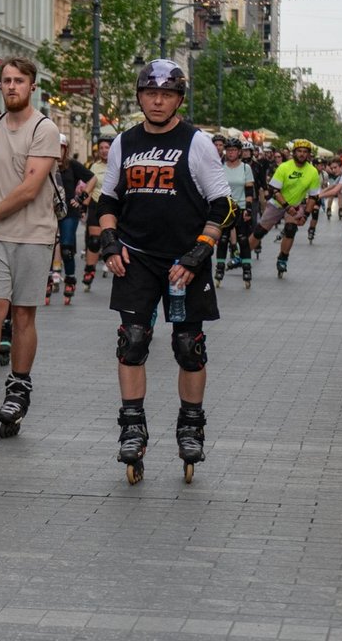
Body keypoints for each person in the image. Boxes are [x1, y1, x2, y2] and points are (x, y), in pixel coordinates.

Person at [98, 59, 233, 485]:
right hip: (136, 256)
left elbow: (222, 205)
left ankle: (191, 427)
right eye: (151, 93)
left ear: (178, 99)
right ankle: (132, 428)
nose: (158, 101)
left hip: (183, 261)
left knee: (188, 345)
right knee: (132, 341)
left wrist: (199, 253)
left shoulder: (196, 143)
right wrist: (109, 242)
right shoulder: (124, 141)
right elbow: (108, 202)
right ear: (140, 96)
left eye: (167, 94)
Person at [0, 57, 60, 442]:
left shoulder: (44, 128)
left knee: (22, 316)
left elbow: (29, 188)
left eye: (19, 81)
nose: (11, 87)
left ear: (32, 85)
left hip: (34, 233)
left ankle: (18, 387)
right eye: (6, 81)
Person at [248, 139, 320, 278]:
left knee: (291, 230)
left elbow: (313, 197)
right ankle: (243, 255)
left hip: (296, 205)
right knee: (260, 231)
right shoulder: (284, 167)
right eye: (299, 151)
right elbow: (274, 190)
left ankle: (283, 258)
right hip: (278, 203)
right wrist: (287, 207)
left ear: (309, 154)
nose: (302, 154)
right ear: (294, 153)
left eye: (305, 152)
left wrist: (305, 215)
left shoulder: (313, 172)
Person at [56, 134, 96, 304]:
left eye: (61, 147)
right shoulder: (44, 163)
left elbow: (92, 178)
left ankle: (70, 278)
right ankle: (50, 276)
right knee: (46, 247)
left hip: (68, 212)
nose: (57, 151)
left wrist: (81, 198)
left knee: (66, 247)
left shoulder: (71, 165)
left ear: (65, 149)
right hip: (47, 211)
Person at [214, 138, 254, 289]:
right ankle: (219, 270)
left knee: (243, 239)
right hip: (225, 207)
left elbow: (249, 190)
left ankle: (247, 270)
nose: (231, 153)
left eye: (234, 150)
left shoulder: (245, 168)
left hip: (241, 207)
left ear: (239, 152)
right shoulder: (220, 167)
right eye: (228, 150)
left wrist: (249, 209)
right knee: (223, 239)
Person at [82, 133, 113, 292]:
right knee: (94, 241)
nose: (103, 150)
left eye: (107, 147)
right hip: (95, 204)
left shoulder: (118, 164)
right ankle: (89, 270)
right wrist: (83, 206)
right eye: (101, 148)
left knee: (110, 240)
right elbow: (90, 186)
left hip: (113, 206)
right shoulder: (94, 167)